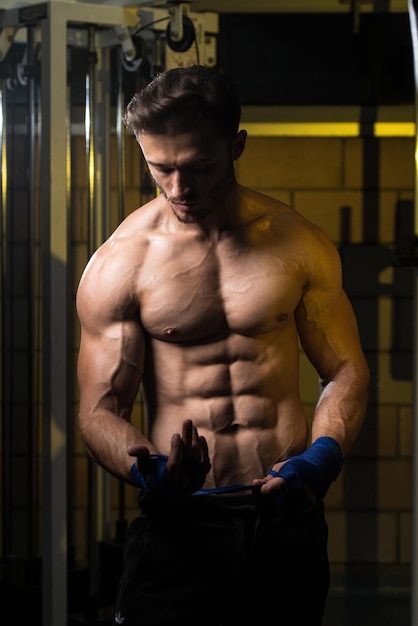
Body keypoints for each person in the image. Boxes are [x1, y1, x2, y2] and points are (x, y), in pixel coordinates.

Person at [76, 64, 369, 626]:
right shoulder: (122, 264)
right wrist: (149, 471)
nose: (179, 189)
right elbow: (98, 411)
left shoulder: (298, 242)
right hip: (180, 525)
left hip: (285, 517)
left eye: (198, 167)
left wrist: (320, 460)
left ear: (236, 146)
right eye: (161, 169)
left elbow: (345, 369)